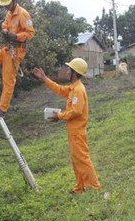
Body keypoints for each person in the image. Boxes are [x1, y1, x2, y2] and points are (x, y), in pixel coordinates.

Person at [32, 58, 102, 194]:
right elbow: (59, 89)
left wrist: (59, 116)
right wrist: (45, 79)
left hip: (77, 132)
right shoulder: (73, 88)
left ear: (75, 73)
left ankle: (94, 187)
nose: (67, 71)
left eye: (69, 69)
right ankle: (80, 187)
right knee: (77, 160)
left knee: (82, 159)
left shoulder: (78, 90)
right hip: (73, 132)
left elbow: (76, 111)